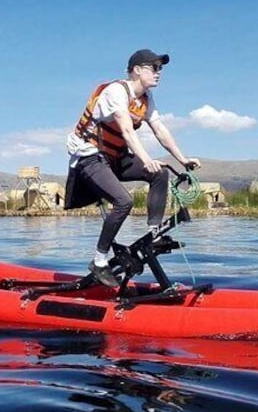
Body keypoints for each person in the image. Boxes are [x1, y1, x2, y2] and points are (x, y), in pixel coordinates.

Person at [64, 49, 202, 287]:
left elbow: (160, 130)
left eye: (161, 69)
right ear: (137, 70)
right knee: (124, 202)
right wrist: (146, 158)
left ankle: (153, 232)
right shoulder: (116, 91)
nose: (159, 73)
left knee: (160, 173)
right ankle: (98, 261)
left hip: (115, 159)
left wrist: (183, 159)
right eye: (154, 68)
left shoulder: (146, 98)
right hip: (90, 158)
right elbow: (127, 130)